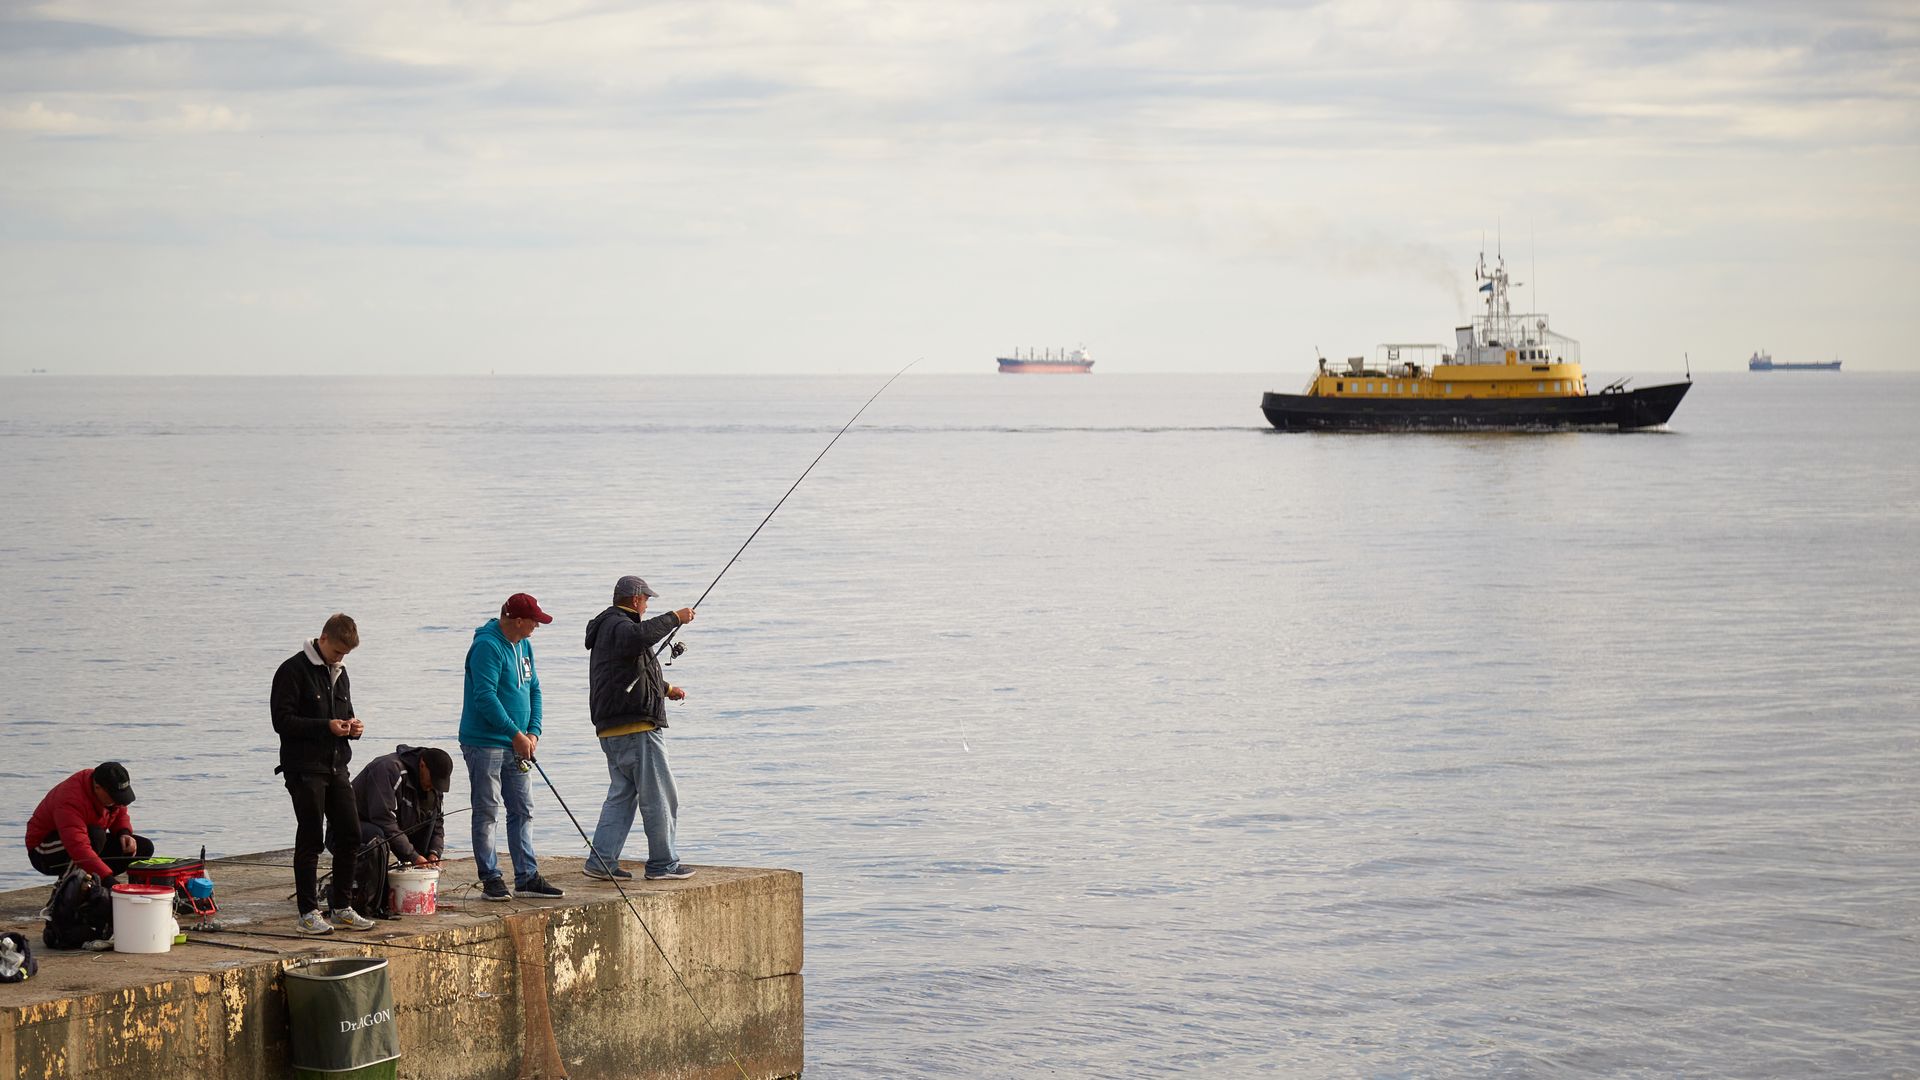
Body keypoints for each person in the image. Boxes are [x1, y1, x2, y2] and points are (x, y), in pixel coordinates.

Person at [583, 575, 698, 882]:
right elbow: (639, 637)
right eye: (646, 600)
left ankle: (601, 861)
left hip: (613, 730)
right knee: (660, 795)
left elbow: (628, 675)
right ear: (635, 600)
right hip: (636, 729)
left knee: (622, 796)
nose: (647, 606)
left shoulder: (609, 631)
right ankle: (663, 863)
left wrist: (667, 688)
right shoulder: (620, 626)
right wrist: (675, 617)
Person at [270, 613, 374, 935]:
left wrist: (353, 727)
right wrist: (325, 727)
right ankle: (307, 912)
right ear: (323, 639)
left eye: (345, 655)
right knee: (311, 837)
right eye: (337, 652)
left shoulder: (341, 674)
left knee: (350, 834)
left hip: (336, 765)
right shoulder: (292, 671)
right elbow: (282, 722)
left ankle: (341, 906)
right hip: (304, 769)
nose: (340, 658)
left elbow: (344, 715)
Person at [460, 593, 564, 901]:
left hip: (519, 744)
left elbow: (534, 689)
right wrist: (514, 733)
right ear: (519, 621)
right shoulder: (486, 647)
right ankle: (490, 876)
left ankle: (526, 875)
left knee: (522, 808)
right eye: (535, 621)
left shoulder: (525, 644)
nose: (537, 626)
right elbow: (485, 697)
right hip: (485, 744)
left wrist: (533, 732)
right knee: (487, 810)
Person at [351, 744, 452, 917]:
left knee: (429, 823)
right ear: (422, 765)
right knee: (378, 837)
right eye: (432, 780)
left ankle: (411, 880)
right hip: (355, 827)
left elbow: (437, 825)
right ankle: (367, 901)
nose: (433, 786)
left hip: (395, 827)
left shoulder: (434, 786)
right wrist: (413, 856)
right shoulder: (388, 769)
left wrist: (434, 854)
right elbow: (384, 820)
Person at [24, 762, 154, 883]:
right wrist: (108, 880)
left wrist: (123, 832)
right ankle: (65, 889)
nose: (117, 802)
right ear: (98, 787)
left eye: (120, 798)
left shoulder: (108, 788)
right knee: (95, 836)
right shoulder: (70, 799)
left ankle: (93, 884)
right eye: (114, 798)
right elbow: (78, 846)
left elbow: (119, 812)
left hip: (85, 840)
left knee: (143, 847)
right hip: (43, 851)